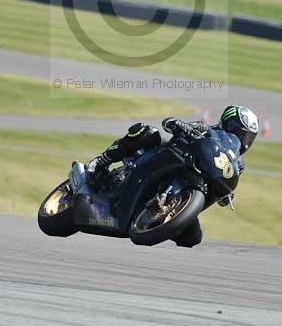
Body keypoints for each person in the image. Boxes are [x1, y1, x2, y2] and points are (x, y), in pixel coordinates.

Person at [86, 106, 259, 248]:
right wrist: (180, 125)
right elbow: (174, 125)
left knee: (192, 238)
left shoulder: (237, 163)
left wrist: (226, 193)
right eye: (239, 131)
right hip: (168, 157)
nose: (243, 140)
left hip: (194, 183)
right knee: (146, 133)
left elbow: (223, 189)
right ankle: (100, 162)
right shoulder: (208, 130)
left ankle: (157, 219)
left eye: (247, 137)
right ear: (227, 123)